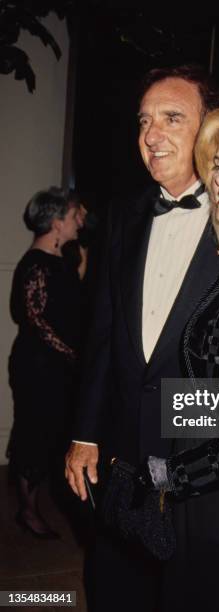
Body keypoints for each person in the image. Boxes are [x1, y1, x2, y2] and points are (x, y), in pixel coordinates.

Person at [64, 65, 219, 611]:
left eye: (172, 118)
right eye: (144, 121)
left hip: (201, 460)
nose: (152, 135)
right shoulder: (124, 217)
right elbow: (103, 335)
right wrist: (85, 433)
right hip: (122, 455)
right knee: (114, 588)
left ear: (210, 130)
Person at [8, 187, 83, 538]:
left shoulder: (62, 260)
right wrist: (72, 353)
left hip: (58, 365)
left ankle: (39, 503)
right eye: (72, 216)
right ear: (56, 223)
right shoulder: (35, 265)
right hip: (37, 366)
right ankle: (27, 511)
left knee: (52, 434)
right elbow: (36, 322)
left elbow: (71, 309)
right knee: (32, 436)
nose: (78, 221)